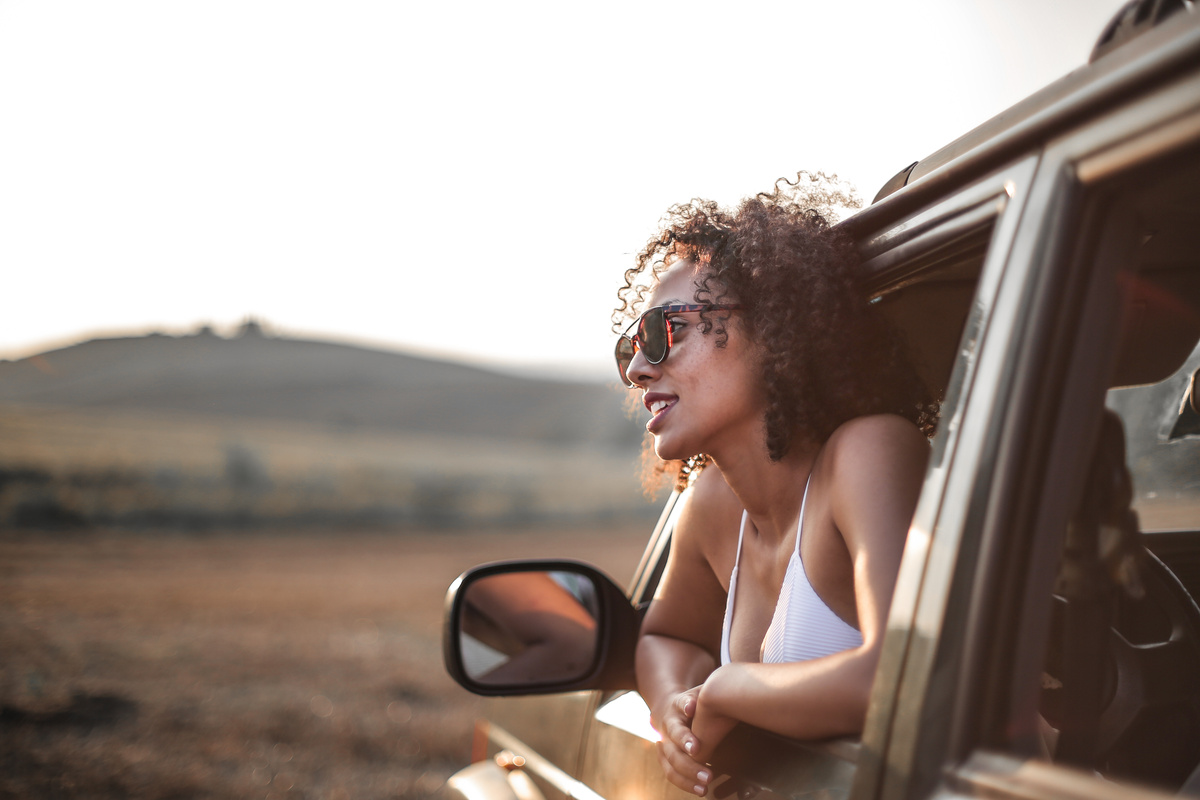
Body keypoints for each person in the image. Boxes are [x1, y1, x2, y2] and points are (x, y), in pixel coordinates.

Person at [615, 174, 936, 797]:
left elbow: (904, 677)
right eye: (631, 344)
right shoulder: (709, 503)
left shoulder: (868, 453)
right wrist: (675, 712)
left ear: (776, 327)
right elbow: (667, 635)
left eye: (662, 331)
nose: (636, 367)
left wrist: (731, 689)